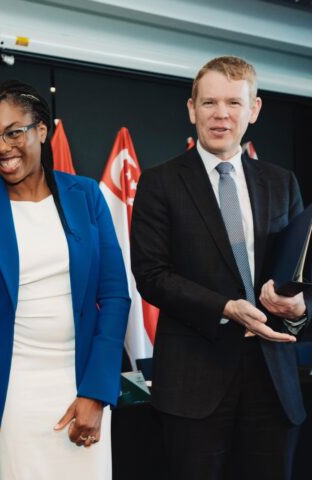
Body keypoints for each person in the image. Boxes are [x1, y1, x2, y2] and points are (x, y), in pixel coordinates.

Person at [0, 80, 130, 479]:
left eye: (13, 132)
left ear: (41, 130)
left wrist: (97, 391)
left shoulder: (86, 195)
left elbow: (114, 296)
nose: (1, 148)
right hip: (13, 393)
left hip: (82, 383)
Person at [131, 56, 311, 480]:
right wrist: (227, 307)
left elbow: (303, 274)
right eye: (209, 102)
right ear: (192, 109)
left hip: (274, 382)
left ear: (254, 109)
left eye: (233, 102)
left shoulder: (282, 182)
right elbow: (152, 275)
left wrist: (300, 308)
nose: (221, 114)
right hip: (194, 385)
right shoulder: (160, 183)